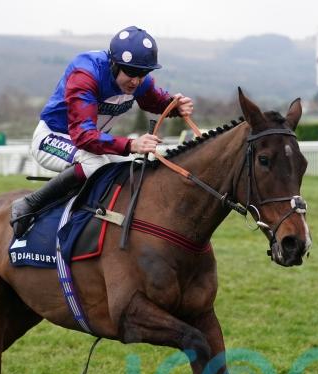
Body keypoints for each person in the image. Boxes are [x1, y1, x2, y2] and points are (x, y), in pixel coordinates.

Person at [11, 26, 194, 237]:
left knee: (132, 168)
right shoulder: (86, 75)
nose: (136, 81)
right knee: (95, 164)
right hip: (53, 138)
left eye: (143, 74)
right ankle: (29, 203)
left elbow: (155, 101)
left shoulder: (138, 81)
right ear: (114, 64)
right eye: (131, 73)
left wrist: (175, 106)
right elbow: (83, 136)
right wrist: (131, 144)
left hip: (92, 144)